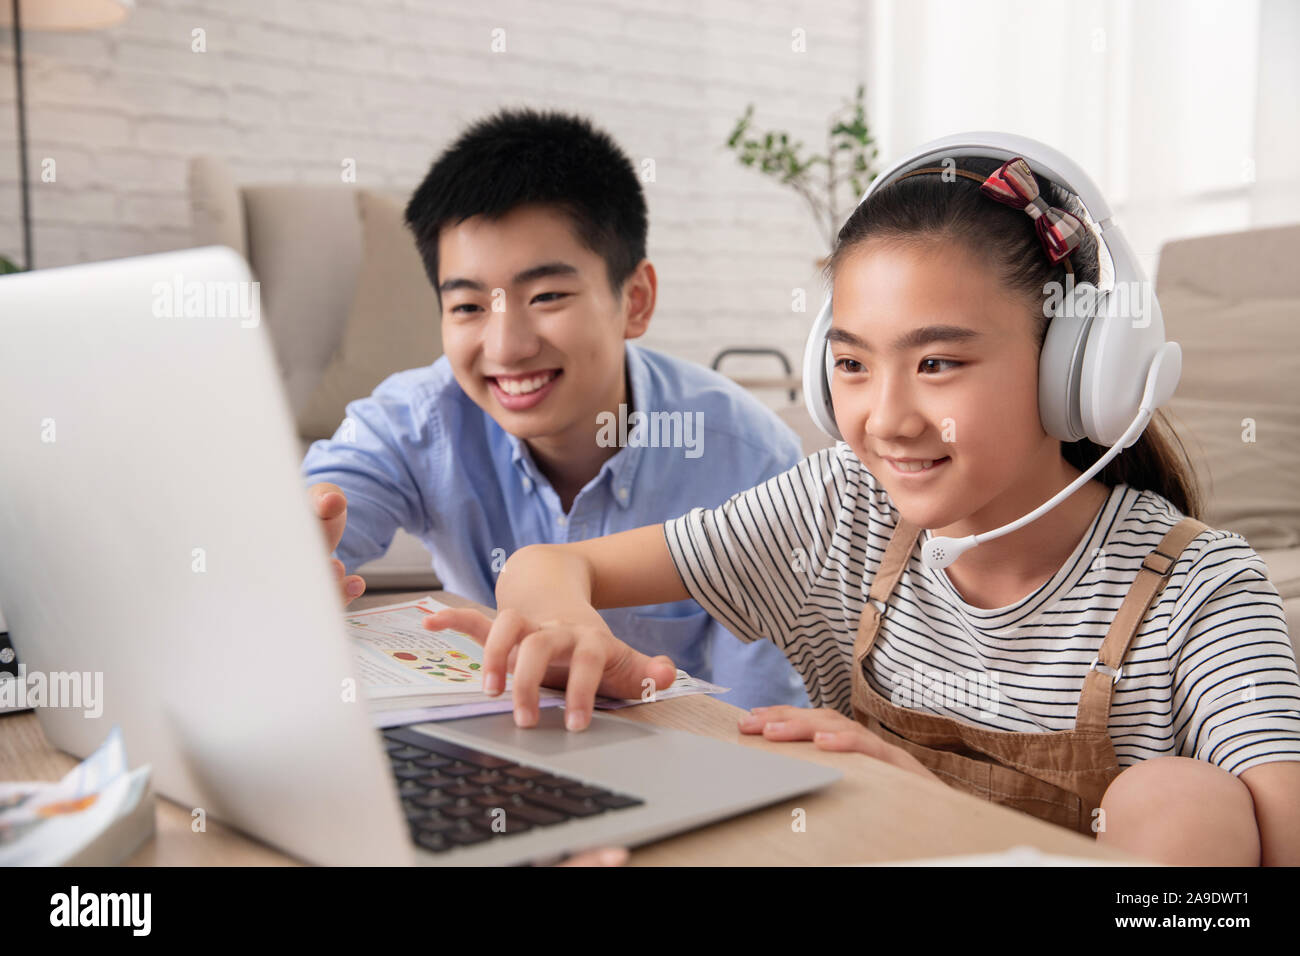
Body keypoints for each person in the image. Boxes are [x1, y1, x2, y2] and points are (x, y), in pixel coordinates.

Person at [425, 150, 1300, 866]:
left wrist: (933, 803)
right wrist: (563, 623)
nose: (884, 419)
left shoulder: (1200, 589)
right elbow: (553, 565)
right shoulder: (840, 508)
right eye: (852, 365)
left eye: (937, 364)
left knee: (1181, 797)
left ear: (1078, 370)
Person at [303, 107, 809, 711]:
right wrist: (295, 549)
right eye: (467, 307)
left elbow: (758, 723)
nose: (506, 347)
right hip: (501, 737)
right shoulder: (417, 420)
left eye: (546, 296)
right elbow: (321, 513)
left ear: (636, 300)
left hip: (683, 753)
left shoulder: (749, 461)